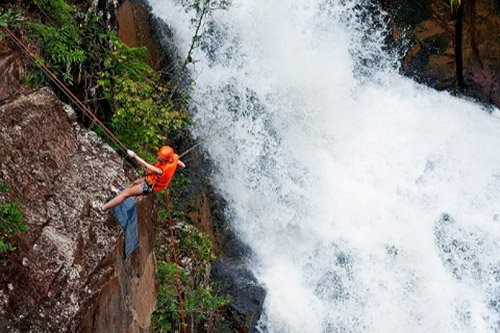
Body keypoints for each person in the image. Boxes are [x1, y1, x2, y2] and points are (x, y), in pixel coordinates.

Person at [102, 146, 186, 211]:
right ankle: (119, 194)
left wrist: (134, 155)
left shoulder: (161, 170)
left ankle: (103, 208)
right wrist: (174, 166)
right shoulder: (172, 160)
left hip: (149, 186)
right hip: (150, 179)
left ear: (165, 159)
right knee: (134, 183)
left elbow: (146, 165)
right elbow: (182, 165)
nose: (158, 157)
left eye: (160, 157)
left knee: (126, 194)